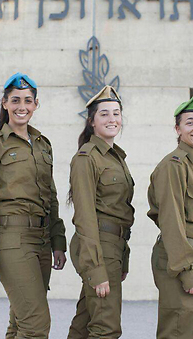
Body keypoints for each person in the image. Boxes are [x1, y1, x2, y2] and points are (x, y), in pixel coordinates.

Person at [0, 72, 67, 339]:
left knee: (20, 322)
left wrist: (57, 239)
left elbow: (51, 196)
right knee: (36, 324)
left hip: (40, 241)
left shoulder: (42, 145)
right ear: (4, 104)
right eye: (15, 100)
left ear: (36, 105)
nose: (21, 106)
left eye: (28, 100)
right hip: (11, 240)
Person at [147, 94, 193, 339]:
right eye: (190, 122)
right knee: (179, 333)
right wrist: (187, 269)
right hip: (180, 259)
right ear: (177, 129)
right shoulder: (173, 166)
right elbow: (171, 220)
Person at [66, 86, 135, 339]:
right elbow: (84, 218)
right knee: (106, 328)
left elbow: (121, 213)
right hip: (98, 249)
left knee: (84, 324)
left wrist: (123, 257)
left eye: (116, 113)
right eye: (104, 114)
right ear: (92, 121)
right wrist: (96, 268)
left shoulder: (116, 157)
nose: (112, 119)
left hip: (112, 248)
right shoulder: (87, 158)